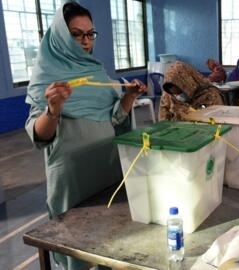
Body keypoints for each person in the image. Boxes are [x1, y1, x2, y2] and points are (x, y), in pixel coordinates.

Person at [24, 2, 147, 269]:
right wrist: (53, 110)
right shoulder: (47, 75)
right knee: (76, 246)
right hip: (73, 177)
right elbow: (38, 134)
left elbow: (115, 118)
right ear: (60, 35)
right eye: (76, 34)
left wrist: (129, 97)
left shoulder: (95, 71)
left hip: (106, 169)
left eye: (90, 34)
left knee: (110, 240)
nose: (85, 41)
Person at [159, 61, 225, 120]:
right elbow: (163, 120)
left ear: (187, 83)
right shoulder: (168, 96)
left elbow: (217, 121)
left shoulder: (211, 96)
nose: (178, 96)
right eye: (174, 94)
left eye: (180, 91)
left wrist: (189, 113)